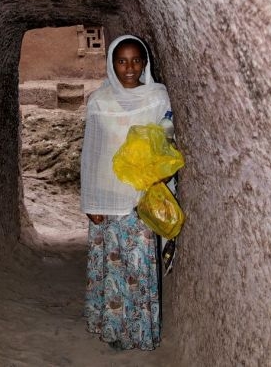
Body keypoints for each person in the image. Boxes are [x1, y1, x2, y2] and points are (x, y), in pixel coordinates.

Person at [80, 34, 172, 350]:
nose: (129, 67)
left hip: (141, 196)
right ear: (112, 64)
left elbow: (164, 145)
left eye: (135, 60)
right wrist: (90, 200)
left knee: (139, 265)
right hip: (107, 194)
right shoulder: (98, 101)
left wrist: (160, 183)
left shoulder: (158, 98)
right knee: (112, 264)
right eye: (122, 61)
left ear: (145, 63)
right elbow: (91, 153)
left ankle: (140, 332)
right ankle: (115, 330)